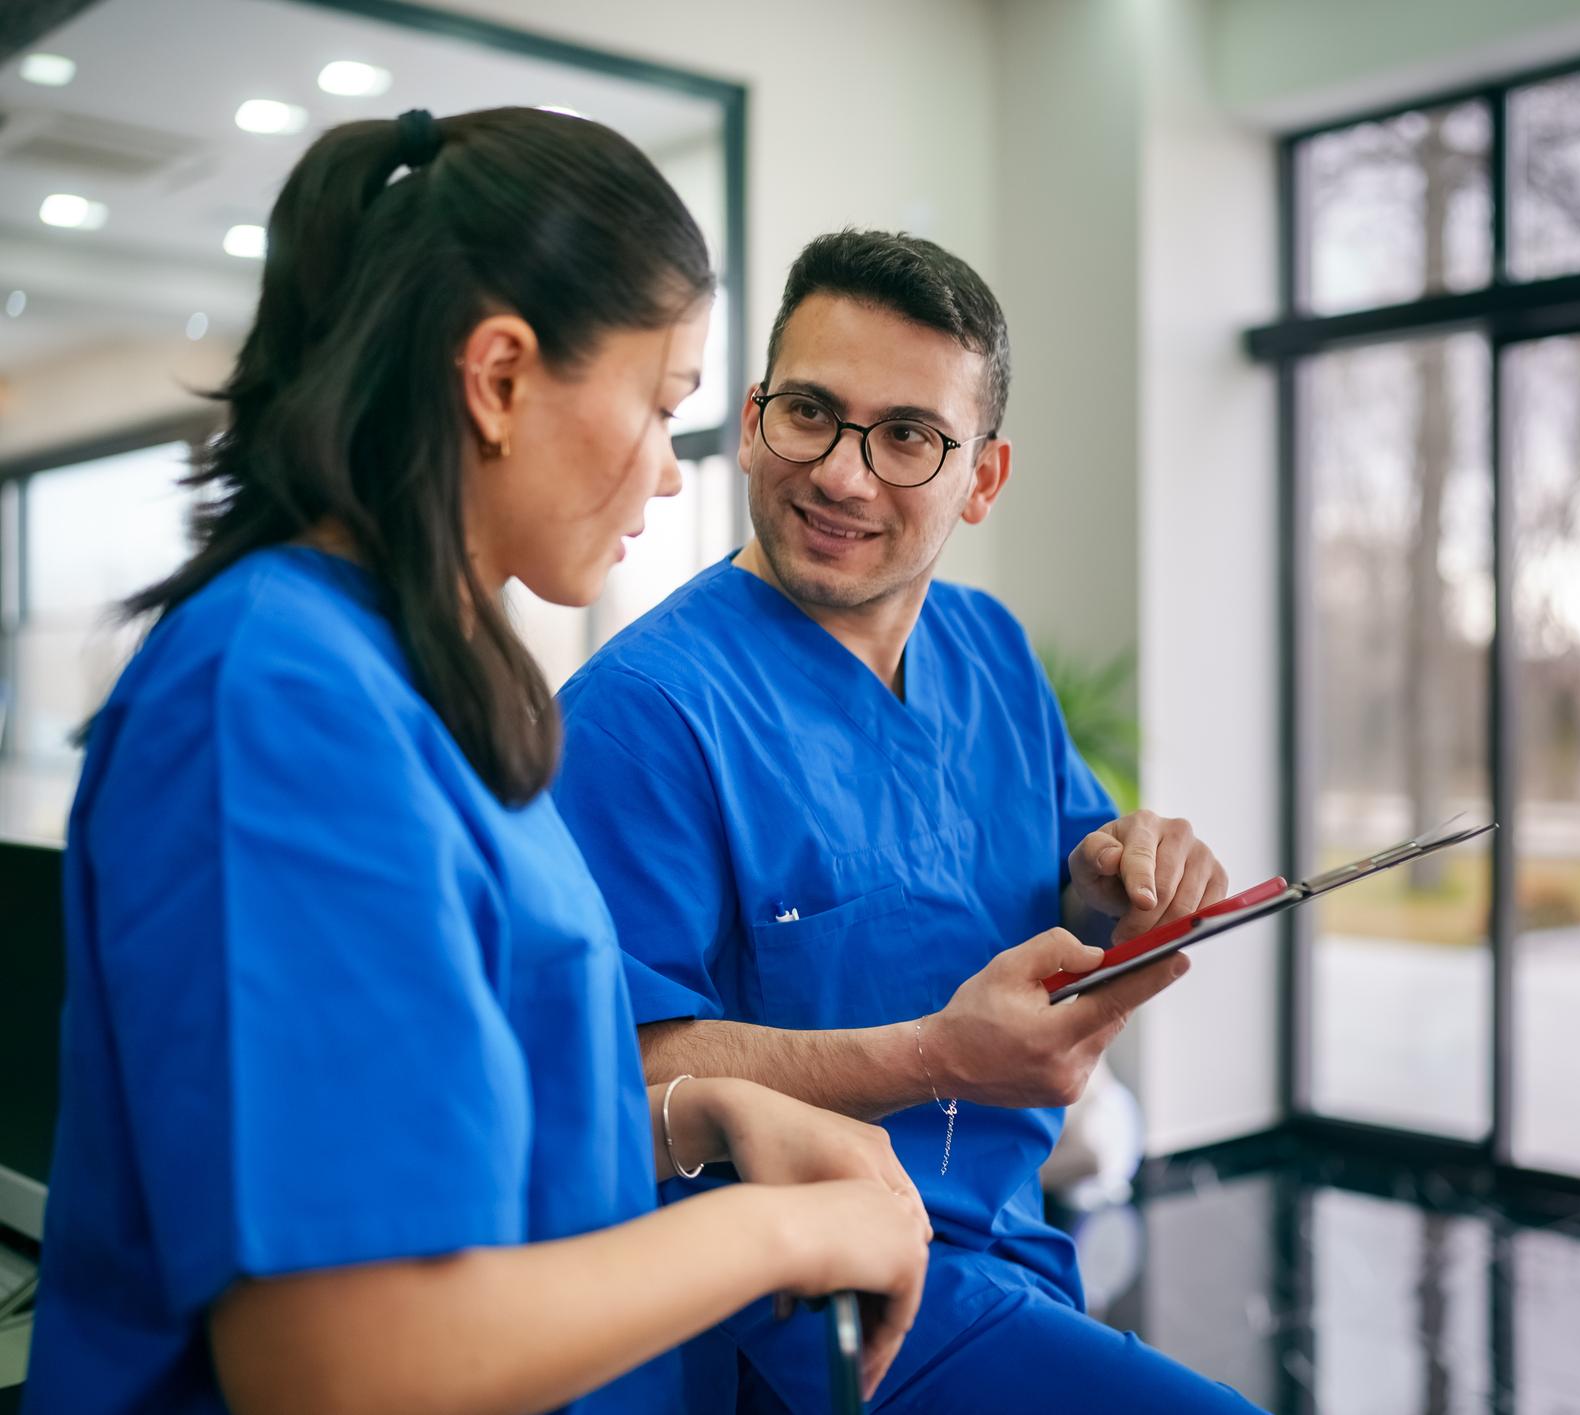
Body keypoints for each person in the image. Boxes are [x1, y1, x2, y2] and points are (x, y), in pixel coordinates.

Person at [25, 111, 929, 1415]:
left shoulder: (419, 675)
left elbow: (478, 1112)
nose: (668, 480)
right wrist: (784, 1233)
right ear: (500, 375)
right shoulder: (275, 699)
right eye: (659, 405)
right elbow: (348, 1357)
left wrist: (699, 1114)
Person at [552, 229, 1261, 1412]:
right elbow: (616, 1068)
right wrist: (935, 1055)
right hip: (802, 1311)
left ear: (981, 477)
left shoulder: (989, 649)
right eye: (811, 413)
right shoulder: (642, 714)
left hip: (1017, 1246)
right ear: (750, 417)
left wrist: (1116, 875)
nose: (841, 471)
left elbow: (1062, 882)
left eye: (908, 437)